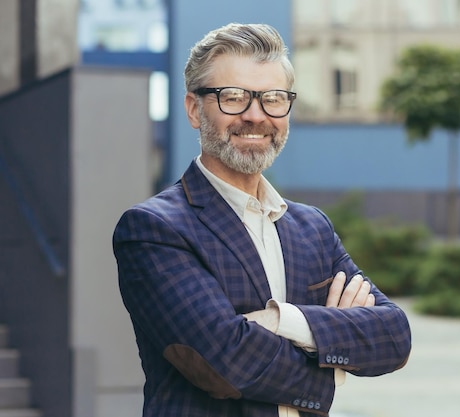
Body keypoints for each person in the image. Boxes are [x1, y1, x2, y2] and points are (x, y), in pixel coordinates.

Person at [113, 22, 411, 417]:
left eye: (273, 98)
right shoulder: (154, 229)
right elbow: (223, 366)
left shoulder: (312, 228)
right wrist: (333, 352)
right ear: (193, 109)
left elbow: (393, 336)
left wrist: (280, 320)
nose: (256, 116)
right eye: (233, 97)